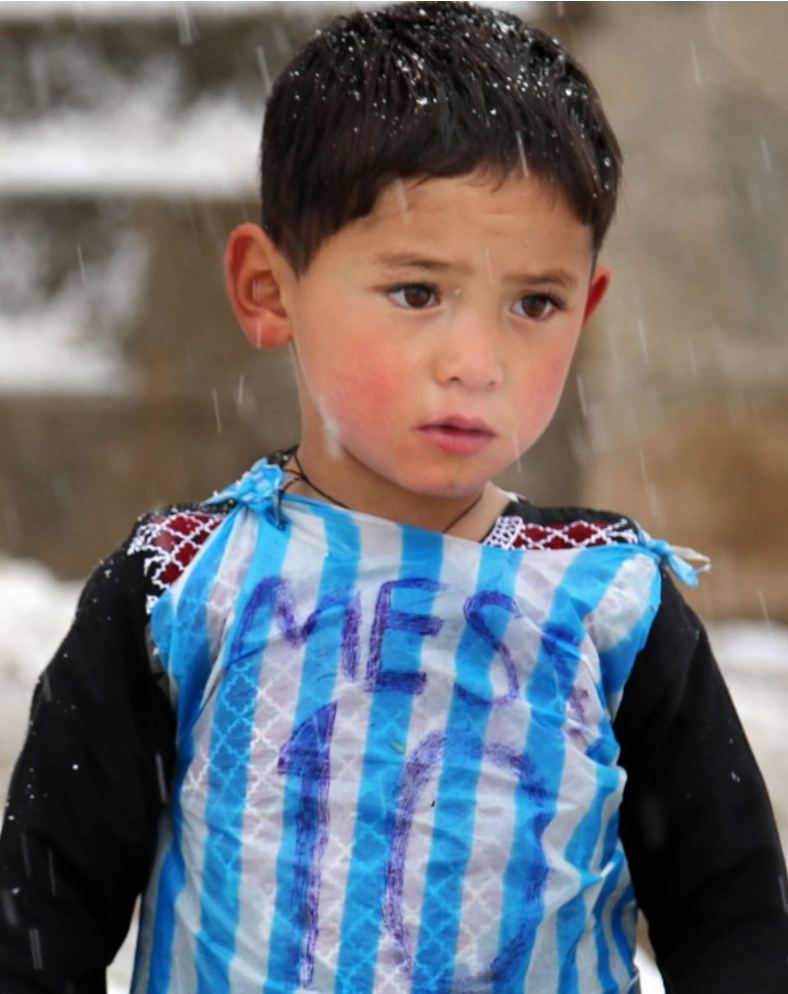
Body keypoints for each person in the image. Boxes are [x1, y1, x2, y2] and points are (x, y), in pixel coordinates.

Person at [1, 3, 786, 992]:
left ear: (585, 307)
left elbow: (733, 924)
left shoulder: (608, 608)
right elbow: (41, 916)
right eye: (417, 291)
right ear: (267, 289)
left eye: (532, 304)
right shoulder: (183, 589)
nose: (475, 363)